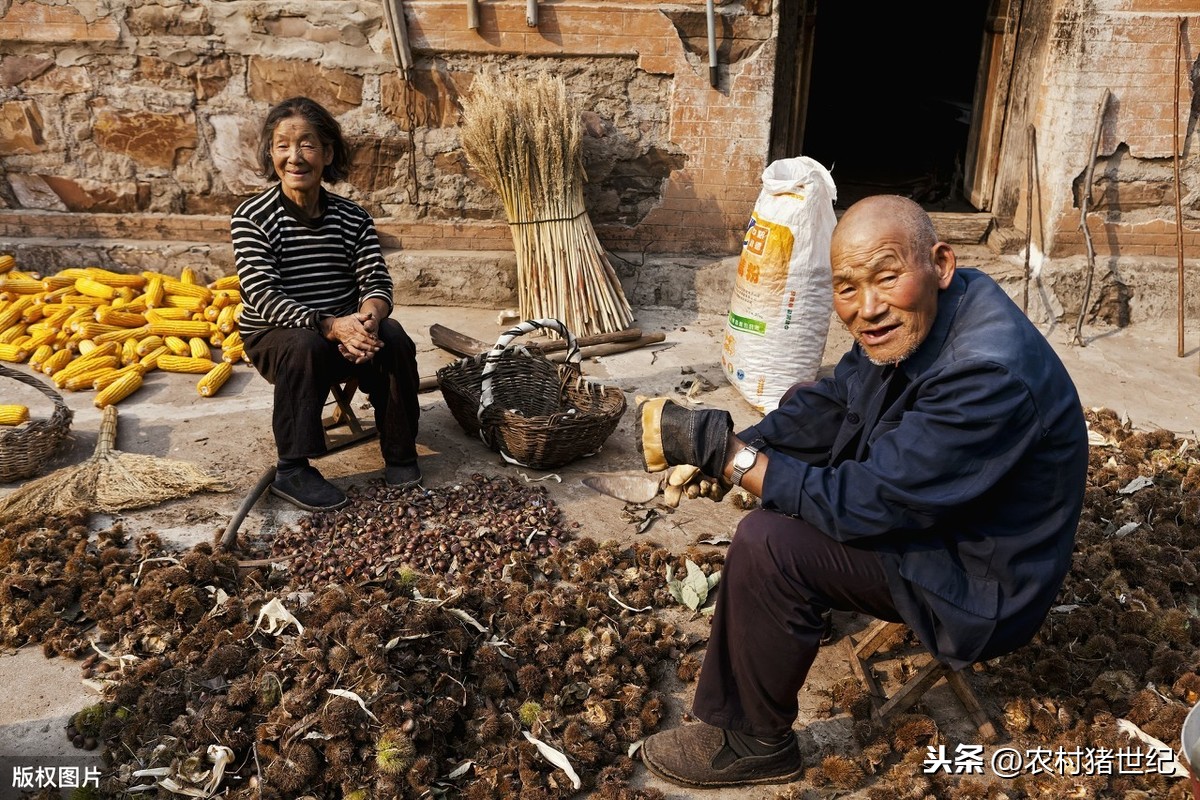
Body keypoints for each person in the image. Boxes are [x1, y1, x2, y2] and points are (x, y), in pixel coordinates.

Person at [636, 194, 1089, 788]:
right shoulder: (930, 310)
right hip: (940, 517)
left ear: (940, 263)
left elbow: (866, 502)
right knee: (803, 414)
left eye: (886, 277)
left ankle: (751, 740)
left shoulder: (987, 371)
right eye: (847, 288)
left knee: (769, 543)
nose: (868, 308)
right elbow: (836, 404)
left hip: (982, 581)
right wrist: (743, 441)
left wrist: (731, 459)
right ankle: (796, 613)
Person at [231, 96, 423, 512]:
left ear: (328, 153)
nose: (294, 157)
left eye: (307, 144)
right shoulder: (253, 217)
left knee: (395, 338)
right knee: (306, 344)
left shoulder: (352, 217)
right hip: (278, 337)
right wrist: (331, 325)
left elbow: (375, 281)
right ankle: (292, 470)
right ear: (271, 153)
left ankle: (401, 452)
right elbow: (261, 294)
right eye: (282, 145)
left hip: (345, 332)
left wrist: (368, 321)